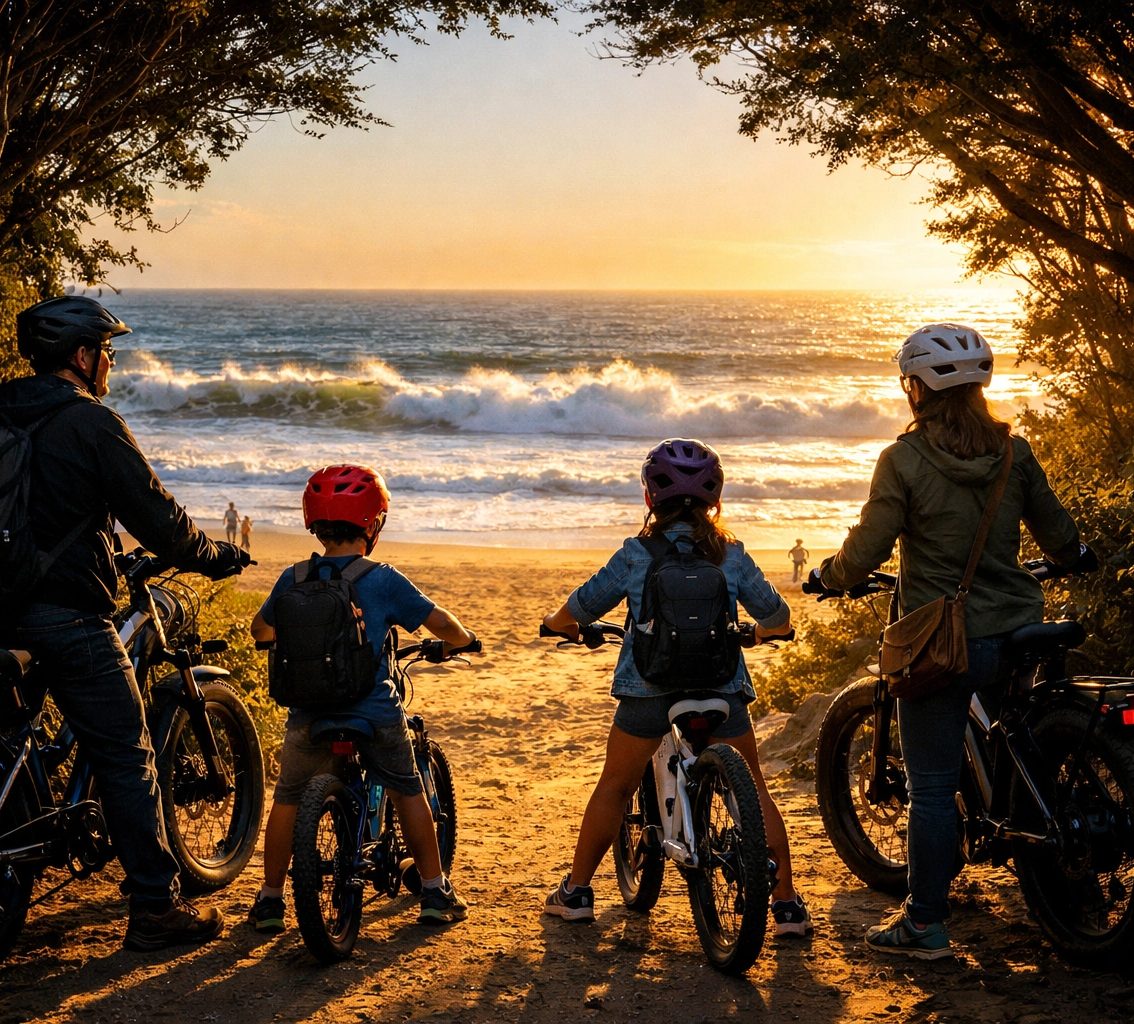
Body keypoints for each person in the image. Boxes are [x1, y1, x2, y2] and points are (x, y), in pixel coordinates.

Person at [0, 295, 250, 951]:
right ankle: (154, 909)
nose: (112, 366)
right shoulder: (92, 424)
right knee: (128, 754)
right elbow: (159, 518)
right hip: (64, 617)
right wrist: (213, 556)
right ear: (85, 357)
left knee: (7, 744)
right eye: (109, 354)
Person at [806, 323, 1089, 960]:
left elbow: (868, 548)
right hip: (1019, 628)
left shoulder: (903, 460)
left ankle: (925, 924)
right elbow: (1060, 535)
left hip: (945, 643)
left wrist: (831, 575)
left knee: (931, 789)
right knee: (1022, 739)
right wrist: (1076, 555)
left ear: (916, 388)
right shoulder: (1014, 453)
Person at [540, 438, 811, 938]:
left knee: (616, 786)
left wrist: (562, 627)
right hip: (721, 686)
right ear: (715, 501)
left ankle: (576, 893)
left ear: (650, 498)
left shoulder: (636, 554)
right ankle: (787, 905)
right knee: (752, 787)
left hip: (649, 689)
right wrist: (761, 634)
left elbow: (578, 609)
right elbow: (778, 616)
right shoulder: (730, 554)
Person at [248, 464, 473, 931]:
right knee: (407, 787)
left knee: (288, 797)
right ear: (372, 524)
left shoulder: (294, 576)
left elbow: (261, 631)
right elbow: (442, 625)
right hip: (374, 714)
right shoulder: (382, 578)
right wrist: (463, 639)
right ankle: (433, 890)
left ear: (315, 522)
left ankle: (270, 900)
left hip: (308, 716)